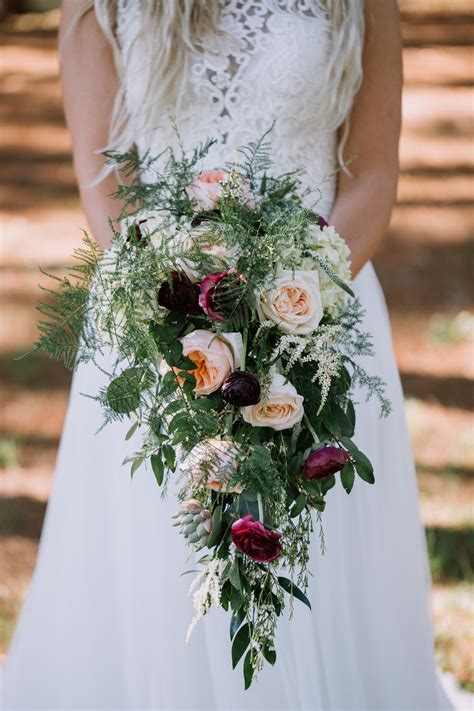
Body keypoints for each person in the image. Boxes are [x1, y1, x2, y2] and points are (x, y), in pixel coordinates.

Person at [2, 1, 455, 709]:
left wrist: (295, 301)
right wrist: (177, 315)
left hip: (324, 320)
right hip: (158, 324)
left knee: (317, 567)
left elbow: (372, 175)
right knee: (164, 575)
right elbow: (105, 175)